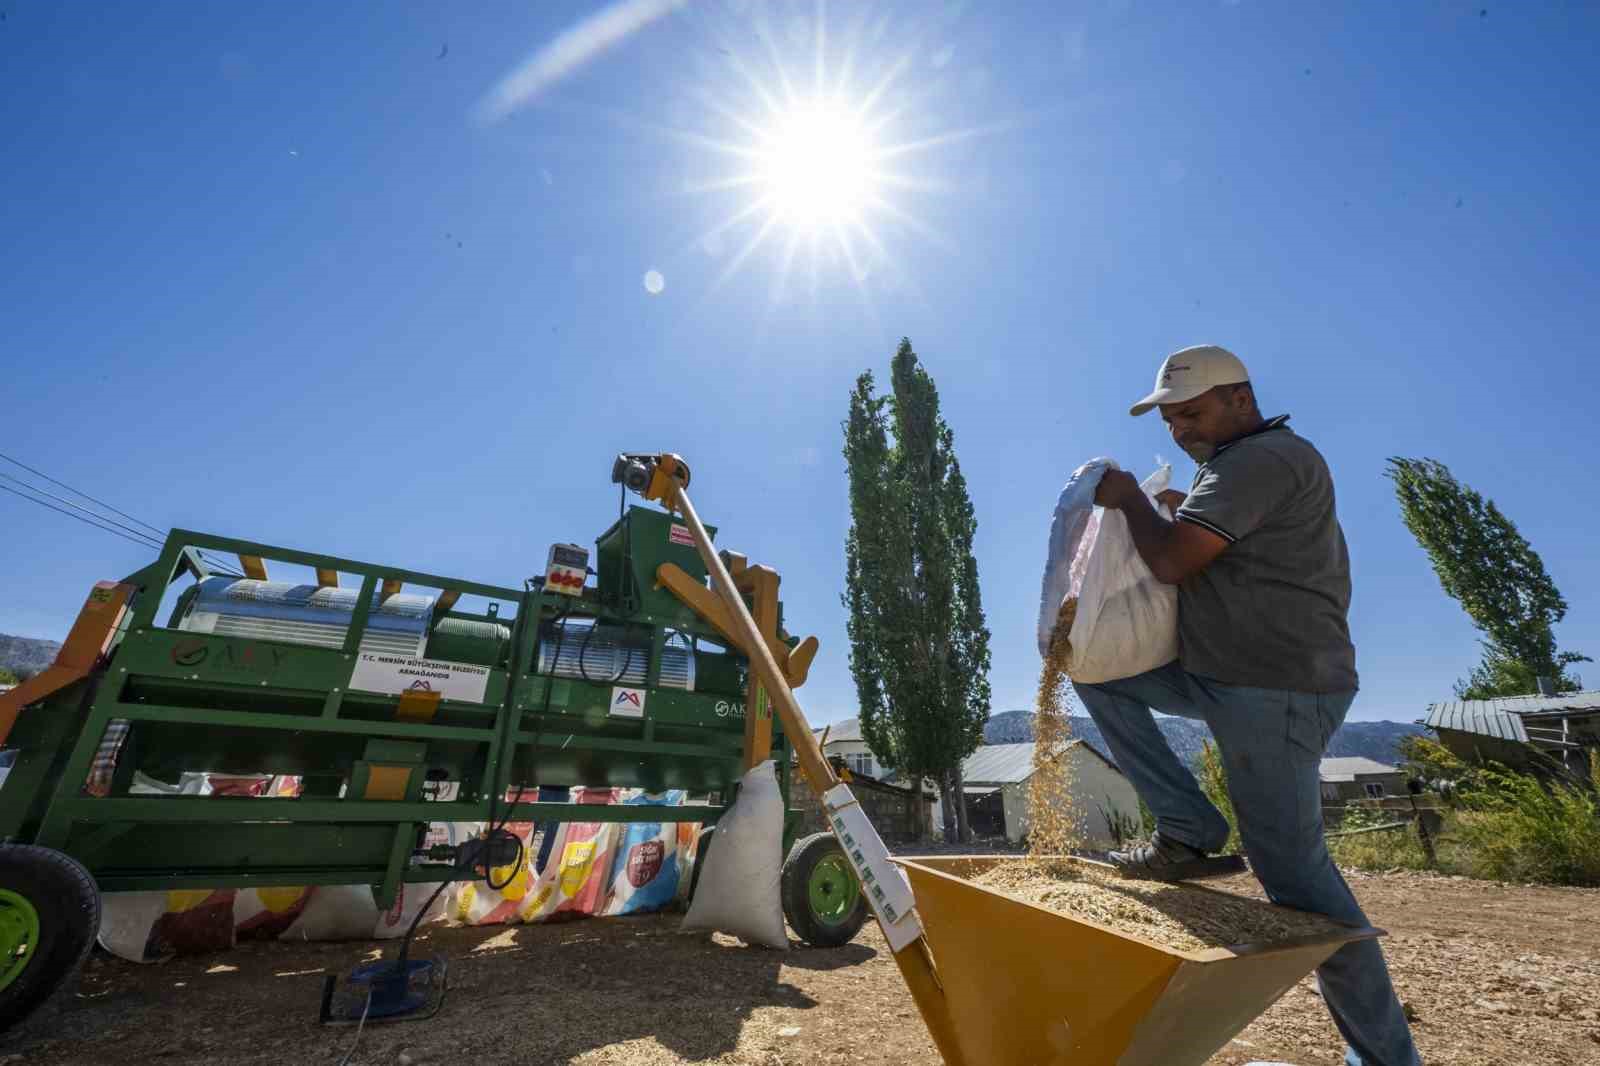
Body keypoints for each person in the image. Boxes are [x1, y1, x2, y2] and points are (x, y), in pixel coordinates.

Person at [1074, 344, 1421, 1066]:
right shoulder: (1231, 469)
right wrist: (1167, 508)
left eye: (1193, 413)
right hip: (1222, 676)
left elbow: (1171, 560)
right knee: (1097, 673)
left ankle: (1388, 1060)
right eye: (1170, 419)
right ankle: (1188, 825)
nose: (1181, 429)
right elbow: (1198, 548)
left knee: (1298, 882)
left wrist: (1134, 498)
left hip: (1278, 687)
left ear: (1241, 398)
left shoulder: (1262, 460)